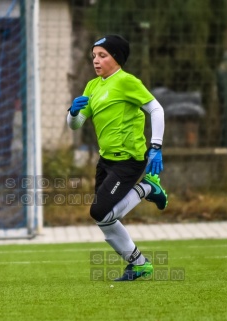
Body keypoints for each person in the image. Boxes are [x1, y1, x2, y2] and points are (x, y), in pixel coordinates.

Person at [66, 35, 168, 281]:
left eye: (103, 55)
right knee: (104, 218)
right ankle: (139, 265)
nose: (96, 61)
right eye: (94, 56)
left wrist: (156, 146)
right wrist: (72, 112)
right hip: (106, 161)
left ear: (117, 59)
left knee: (99, 212)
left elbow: (156, 109)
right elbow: (76, 125)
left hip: (129, 160)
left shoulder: (127, 82)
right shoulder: (92, 86)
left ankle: (147, 187)